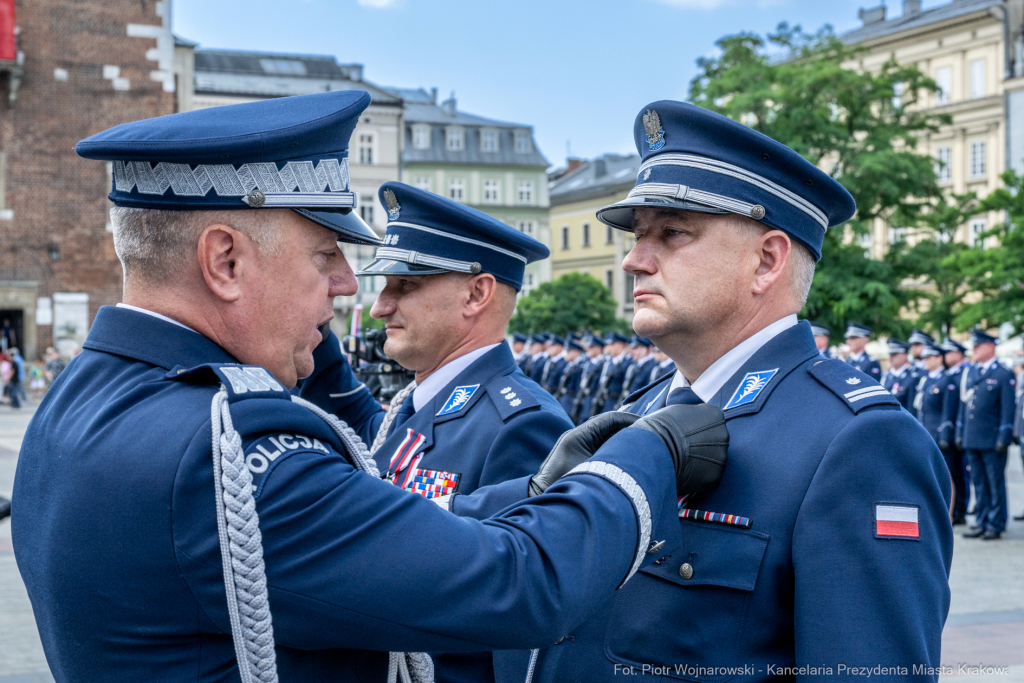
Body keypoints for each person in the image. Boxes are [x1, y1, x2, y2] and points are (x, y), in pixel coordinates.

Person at [13, 90, 710, 683]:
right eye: (325, 255)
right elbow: (520, 583)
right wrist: (644, 455)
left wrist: (530, 493)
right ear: (224, 260)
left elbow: (375, 518)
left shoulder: (85, 396)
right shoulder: (231, 454)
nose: (352, 286)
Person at [457, 100, 953, 681]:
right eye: (639, 236)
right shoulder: (641, 413)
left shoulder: (857, 441)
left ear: (767, 261)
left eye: (671, 233)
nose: (633, 261)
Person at [356, 181, 574, 683]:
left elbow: (517, 621)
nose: (379, 306)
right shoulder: (411, 406)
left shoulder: (522, 424)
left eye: (405, 285)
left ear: (477, 293)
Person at [958, 329, 1017, 540]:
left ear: (990, 347)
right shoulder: (974, 372)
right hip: (973, 437)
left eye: (977, 346)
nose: (973, 350)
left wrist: (1004, 435)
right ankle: (982, 521)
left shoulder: (1003, 373)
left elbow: (1008, 409)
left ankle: (996, 523)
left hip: (992, 439)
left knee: (994, 483)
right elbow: (966, 406)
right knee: (979, 483)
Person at [914, 343, 961, 522]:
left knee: (947, 475)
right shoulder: (928, 379)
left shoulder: (946, 380)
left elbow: (948, 411)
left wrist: (944, 435)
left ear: (939, 358)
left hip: (939, 435)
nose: (925, 361)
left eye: (928, 358)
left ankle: (948, 515)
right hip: (926, 434)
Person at [941, 337, 970, 523]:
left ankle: (961, 508)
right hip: (951, 430)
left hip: (959, 431)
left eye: (949, 352)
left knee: (960, 473)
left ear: (959, 354)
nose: (946, 356)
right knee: (954, 473)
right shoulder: (949, 374)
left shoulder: (965, 373)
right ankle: (958, 509)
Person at [594, 332, 632, 415]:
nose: (609, 348)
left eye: (612, 344)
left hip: (618, 402)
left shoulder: (628, 362)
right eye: (608, 345)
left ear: (621, 345)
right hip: (605, 401)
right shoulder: (608, 362)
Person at [571, 334, 605, 424]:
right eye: (588, 347)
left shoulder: (603, 364)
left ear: (598, 348)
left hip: (595, 399)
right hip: (585, 399)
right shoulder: (588, 364)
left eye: (591, 347)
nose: (588, 349)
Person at [882, 338, 916, 411]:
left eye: (894, 354)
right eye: (890, 354)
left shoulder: (912, 378)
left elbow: (911, 409)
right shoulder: (887, 377)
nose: (890, 357)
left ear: (905, 356)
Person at [619, 335, 654, 406]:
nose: (632, 351)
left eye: (635, 348)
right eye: (631, 348)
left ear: (646, 349)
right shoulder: (634, 366)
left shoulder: (652, 367)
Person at [553, 339, 585, 416]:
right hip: (564, 398)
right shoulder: (568, 365)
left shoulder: (581, 366)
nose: (566, 354)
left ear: (576, 352)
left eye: (568, 351)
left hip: (572, 399)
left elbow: (579, 386)